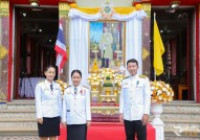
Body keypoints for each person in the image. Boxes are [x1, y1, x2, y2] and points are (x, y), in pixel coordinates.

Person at [119, 59, 151, 140]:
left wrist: (146, 113)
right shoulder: (124, 80)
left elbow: (147, 97)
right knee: (129, 137)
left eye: (133, 66)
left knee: (142, 137)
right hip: (128, 115)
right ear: (127, 68)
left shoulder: (144, 80)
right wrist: (121, 112)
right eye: (129, 66)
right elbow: (122, 97)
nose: (132, 68)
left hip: (139, 115)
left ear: (137, 67)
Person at [62, 70, 91, 140]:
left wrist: (88, 119)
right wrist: (63, 119)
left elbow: (87, 106)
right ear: (71, 78)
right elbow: (64, 106)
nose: (76, 79)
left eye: (78, 77)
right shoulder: (67, 91)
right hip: (70, 120)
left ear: (81, 78)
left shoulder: (85, 90)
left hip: (81, 120)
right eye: (74, 77)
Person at [35, 65, 62, 140]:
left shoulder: (57, 86)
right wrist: (39, 116)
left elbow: (59, 101)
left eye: (53, 72)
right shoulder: (40, 86)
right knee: (44, 137)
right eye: (49, 72)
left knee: (53, 137)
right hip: (44, 116)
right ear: (45, 73)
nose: (51, 74)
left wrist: (61, 115)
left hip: (55, 115)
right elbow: (38, 101)